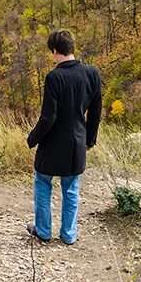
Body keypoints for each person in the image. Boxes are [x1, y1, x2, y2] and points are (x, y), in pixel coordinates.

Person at [26, 29, 102, 245]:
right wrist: (90, 139)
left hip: (52, 143)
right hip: (77, 141)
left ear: (54, 51)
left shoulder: (54, 77)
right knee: (71, 189)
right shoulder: (91, 73)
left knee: (43, 183)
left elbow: (49, 117)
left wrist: (33, 138)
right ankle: (68, 234)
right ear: (72, 47)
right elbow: (96, 110)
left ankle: (43, 231)